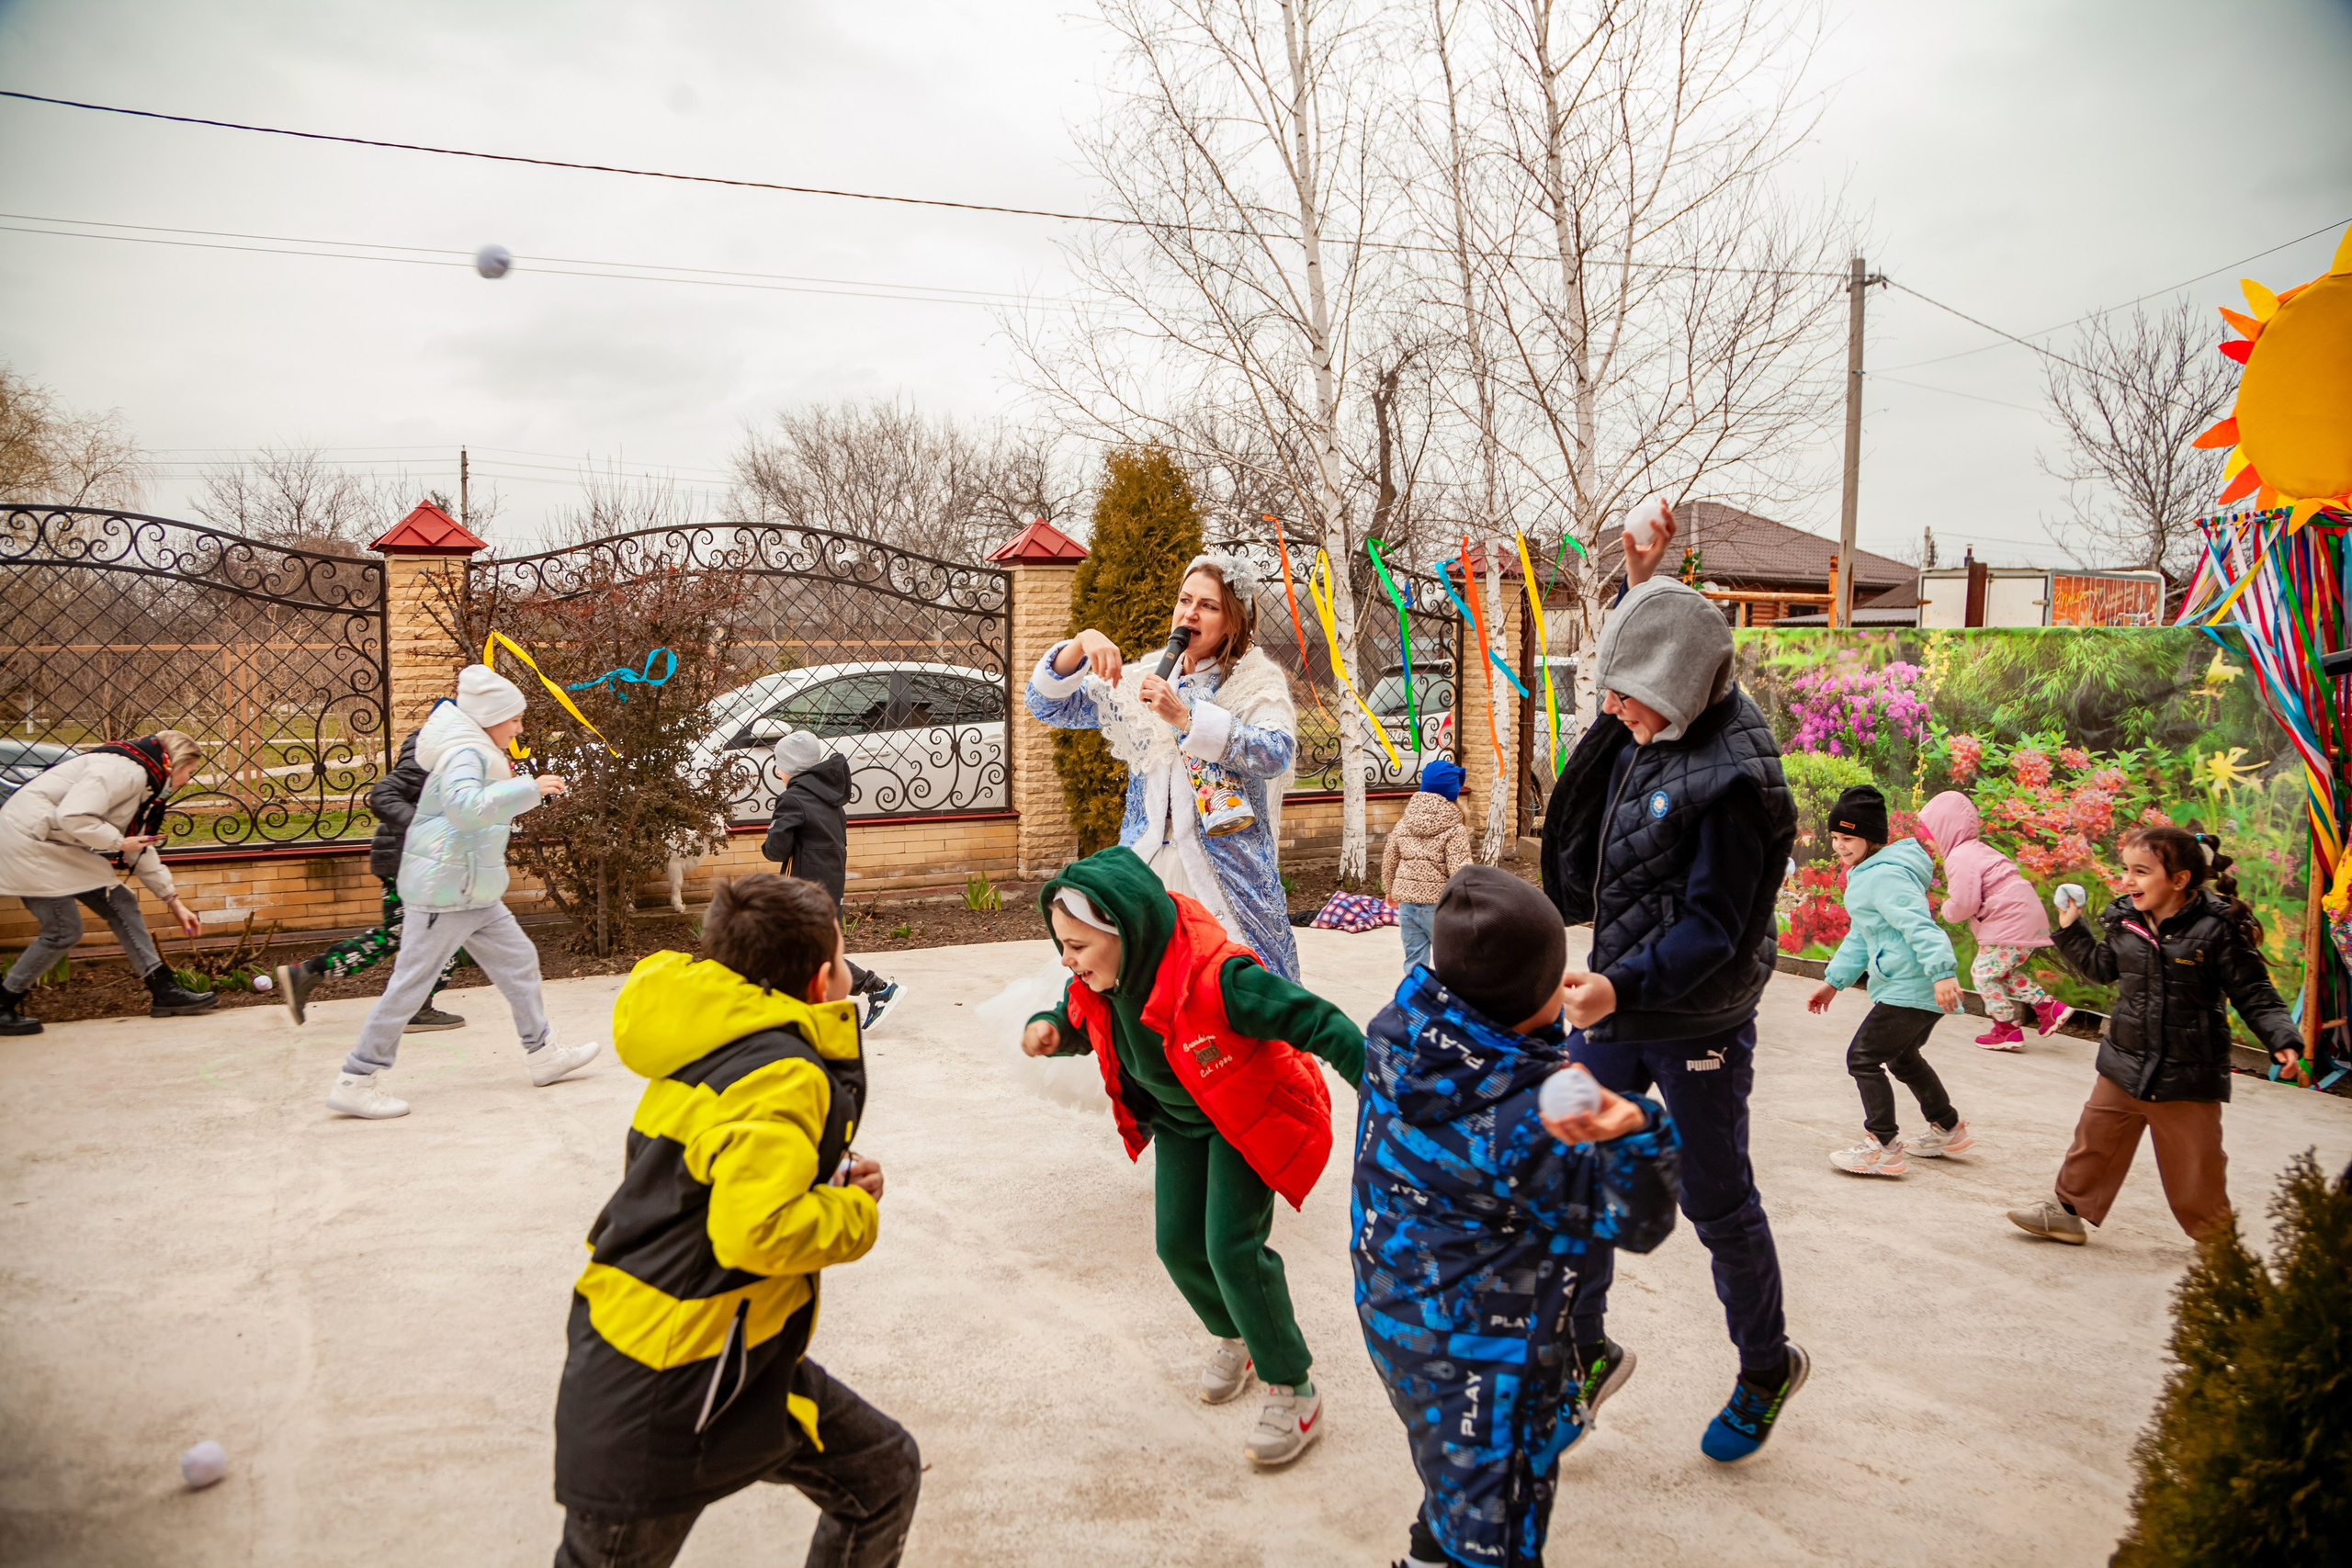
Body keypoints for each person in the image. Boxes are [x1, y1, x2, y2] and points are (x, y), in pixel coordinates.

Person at [550, 874, 919, 1568]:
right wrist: (853, 1213)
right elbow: (757, 1231)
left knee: (882, 1474)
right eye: (843, 957)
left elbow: (722, 1167)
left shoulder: (713, 1035)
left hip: (712, 1351)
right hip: (671, 1383)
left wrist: (820, 1177)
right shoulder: (783, 1074)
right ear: (821, 983)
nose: (848, 972)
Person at [1537, 524, 1806, 1466]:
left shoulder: (1737, 784)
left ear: (1679, 685)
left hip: (1696, 1017)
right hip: (1616, 1005)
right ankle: (1586, 1355)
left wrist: (1617, 986)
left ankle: (1766, 1367)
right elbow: (1647, 656)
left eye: (1627, 693)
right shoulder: (1662, 706)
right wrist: (1642, 581)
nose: (1610, 709)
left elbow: (1712, 931)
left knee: (1716, 1203)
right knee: (1568, 1167)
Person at [1355, 867, 1679, 1568]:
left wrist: (1542, 1024)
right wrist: (1631, 1121)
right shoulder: (1535, 1118)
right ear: (1541, 991)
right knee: (1496, 1525)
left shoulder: (1397, 1037)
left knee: (1451, 1465)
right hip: (1488, 1368)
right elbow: (1643, 1218)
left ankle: (1429, 1552)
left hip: (1397, 1321)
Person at [1018, 846, 1363, 1466]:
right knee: (1177, 1245)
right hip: (1180, 1122)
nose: (1066, 959)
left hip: (1244, 1120)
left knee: (1233, 1249)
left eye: (1076, 945)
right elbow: (1078, 1017)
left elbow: (1316, 1019)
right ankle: (1237, 1337)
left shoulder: (1219, 979)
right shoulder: (1101, 982)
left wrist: (1381, 1084)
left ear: (1124, 931)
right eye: (1061, 945)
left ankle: (1295, 1389)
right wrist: (1052, 1030)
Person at [324, 665, 600, 1119]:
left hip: (471, 888)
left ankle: (543, 1054)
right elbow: (465, 810)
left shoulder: (476, 748)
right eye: (515, 719)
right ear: (491, 718)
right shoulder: (465, 753)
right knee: (411, 986)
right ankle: (356, 1078)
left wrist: (523, 793)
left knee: (519, 961)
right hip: (446, 891)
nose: (520, 728)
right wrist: (529, 788)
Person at [2007, 827, 2301, 1247]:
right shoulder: (2124, 920)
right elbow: (2100, 969)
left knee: (2195, 1163)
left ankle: (2218, 1243)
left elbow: (2255, 993)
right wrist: (2072, 928)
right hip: (2124, 1060)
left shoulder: (2218, 929)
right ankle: (2068, 1212)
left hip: (2189, 1071)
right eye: (2126, 869)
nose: (2128, 880)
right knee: (2094, 1141)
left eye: (2141, 871)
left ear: (2179, 880)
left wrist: (2281, 1038)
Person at [1023, 553, 1302, 979]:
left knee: (1233, 991)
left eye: (1208, 606)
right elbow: (1047, 705)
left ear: (1233, 621)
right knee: (1138, 990)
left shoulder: (1255, 681)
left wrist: (1187, 719)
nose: (1190, 613)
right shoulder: (1151, 676)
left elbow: (1275, 753)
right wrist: (1082, 642)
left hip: (1226, 876)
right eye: (1185, 600)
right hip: (1145, 867)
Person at [1805, 784, 1973, 1179]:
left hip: (1911, 986)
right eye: (1835, 837)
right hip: (1912, 986)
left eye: (1848, 838)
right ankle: (1948, 1128)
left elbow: (1919, 925)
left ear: (1871, 838)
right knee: (1903, 1058)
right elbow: (1862, 935)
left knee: (1862, 1058)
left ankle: (1882, 1146)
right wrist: (1834, 981)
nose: (1839, 846)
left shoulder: (1885, 876)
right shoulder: (1870, 873)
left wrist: (1942, 973)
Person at [0, 729, 215, 1033]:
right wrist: (118, 841)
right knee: (63, 930)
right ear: (173, 764)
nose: (188, 780)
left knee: (121, 901)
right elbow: (73, 816)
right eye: (189, 771)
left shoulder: (143, 782)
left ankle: (163, 990)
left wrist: (174, 902)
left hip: (52, 845)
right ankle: (3, 1004)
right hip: (28, 844)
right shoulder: (122, 772)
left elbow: (139, 847)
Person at [272, 712, 466, 1032]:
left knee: (417, 934)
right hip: (410, 862)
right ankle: (408, 1006)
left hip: (416, 861)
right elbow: (384, 795)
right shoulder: (432, 748)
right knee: (430, 934)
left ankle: (310, 974)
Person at [762, 729, 902, 1031]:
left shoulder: (792, 799)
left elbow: (776, 849)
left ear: (789, 768)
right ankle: (795, 1008)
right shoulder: (831, 798)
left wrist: (772, 836)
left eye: (779, 766)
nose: (777, 772)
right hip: (829, 885)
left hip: (805, 891)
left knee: (812, 954)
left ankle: (877, 988)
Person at [1916, 788, 2068, 1048]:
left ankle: (2006, 1028)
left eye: (1930, 837)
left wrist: (1947, 911)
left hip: (2009, 920)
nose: (1929, 844)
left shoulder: (1959, 857)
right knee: (1999, 973)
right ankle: (2048, 1007)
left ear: (1944, 832)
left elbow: (1964, 903)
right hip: (2025, 917)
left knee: (1982, 974)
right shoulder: (1978, 850)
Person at [1379, 758, 1470, 974]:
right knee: (1449, 960)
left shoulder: (1404, 822)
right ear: (1453, 792)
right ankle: (1446, 994)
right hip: (1440, 907)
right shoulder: (1455, 828)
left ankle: (1417, 993)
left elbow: (1390, 858)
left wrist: (1389, 889)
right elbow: (1460, 871)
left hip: (1407, 904)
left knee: (1414, 961)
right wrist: (1467, 902)